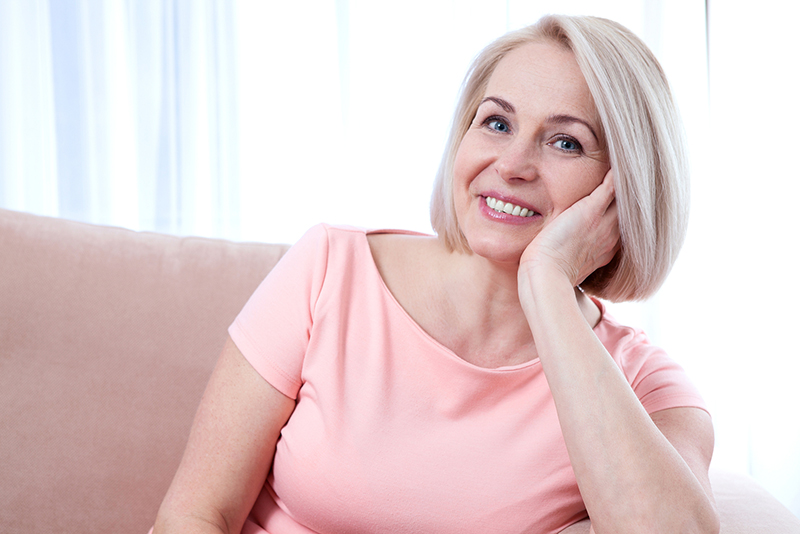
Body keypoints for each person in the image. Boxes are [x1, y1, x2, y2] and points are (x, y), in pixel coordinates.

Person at [153, 14, 719, 534]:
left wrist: (546, 282)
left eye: (565, 142)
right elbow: (197, 512)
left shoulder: (647, 389)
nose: (512, 165)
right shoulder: (328, 270)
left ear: (623, 193)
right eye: (497, 123)